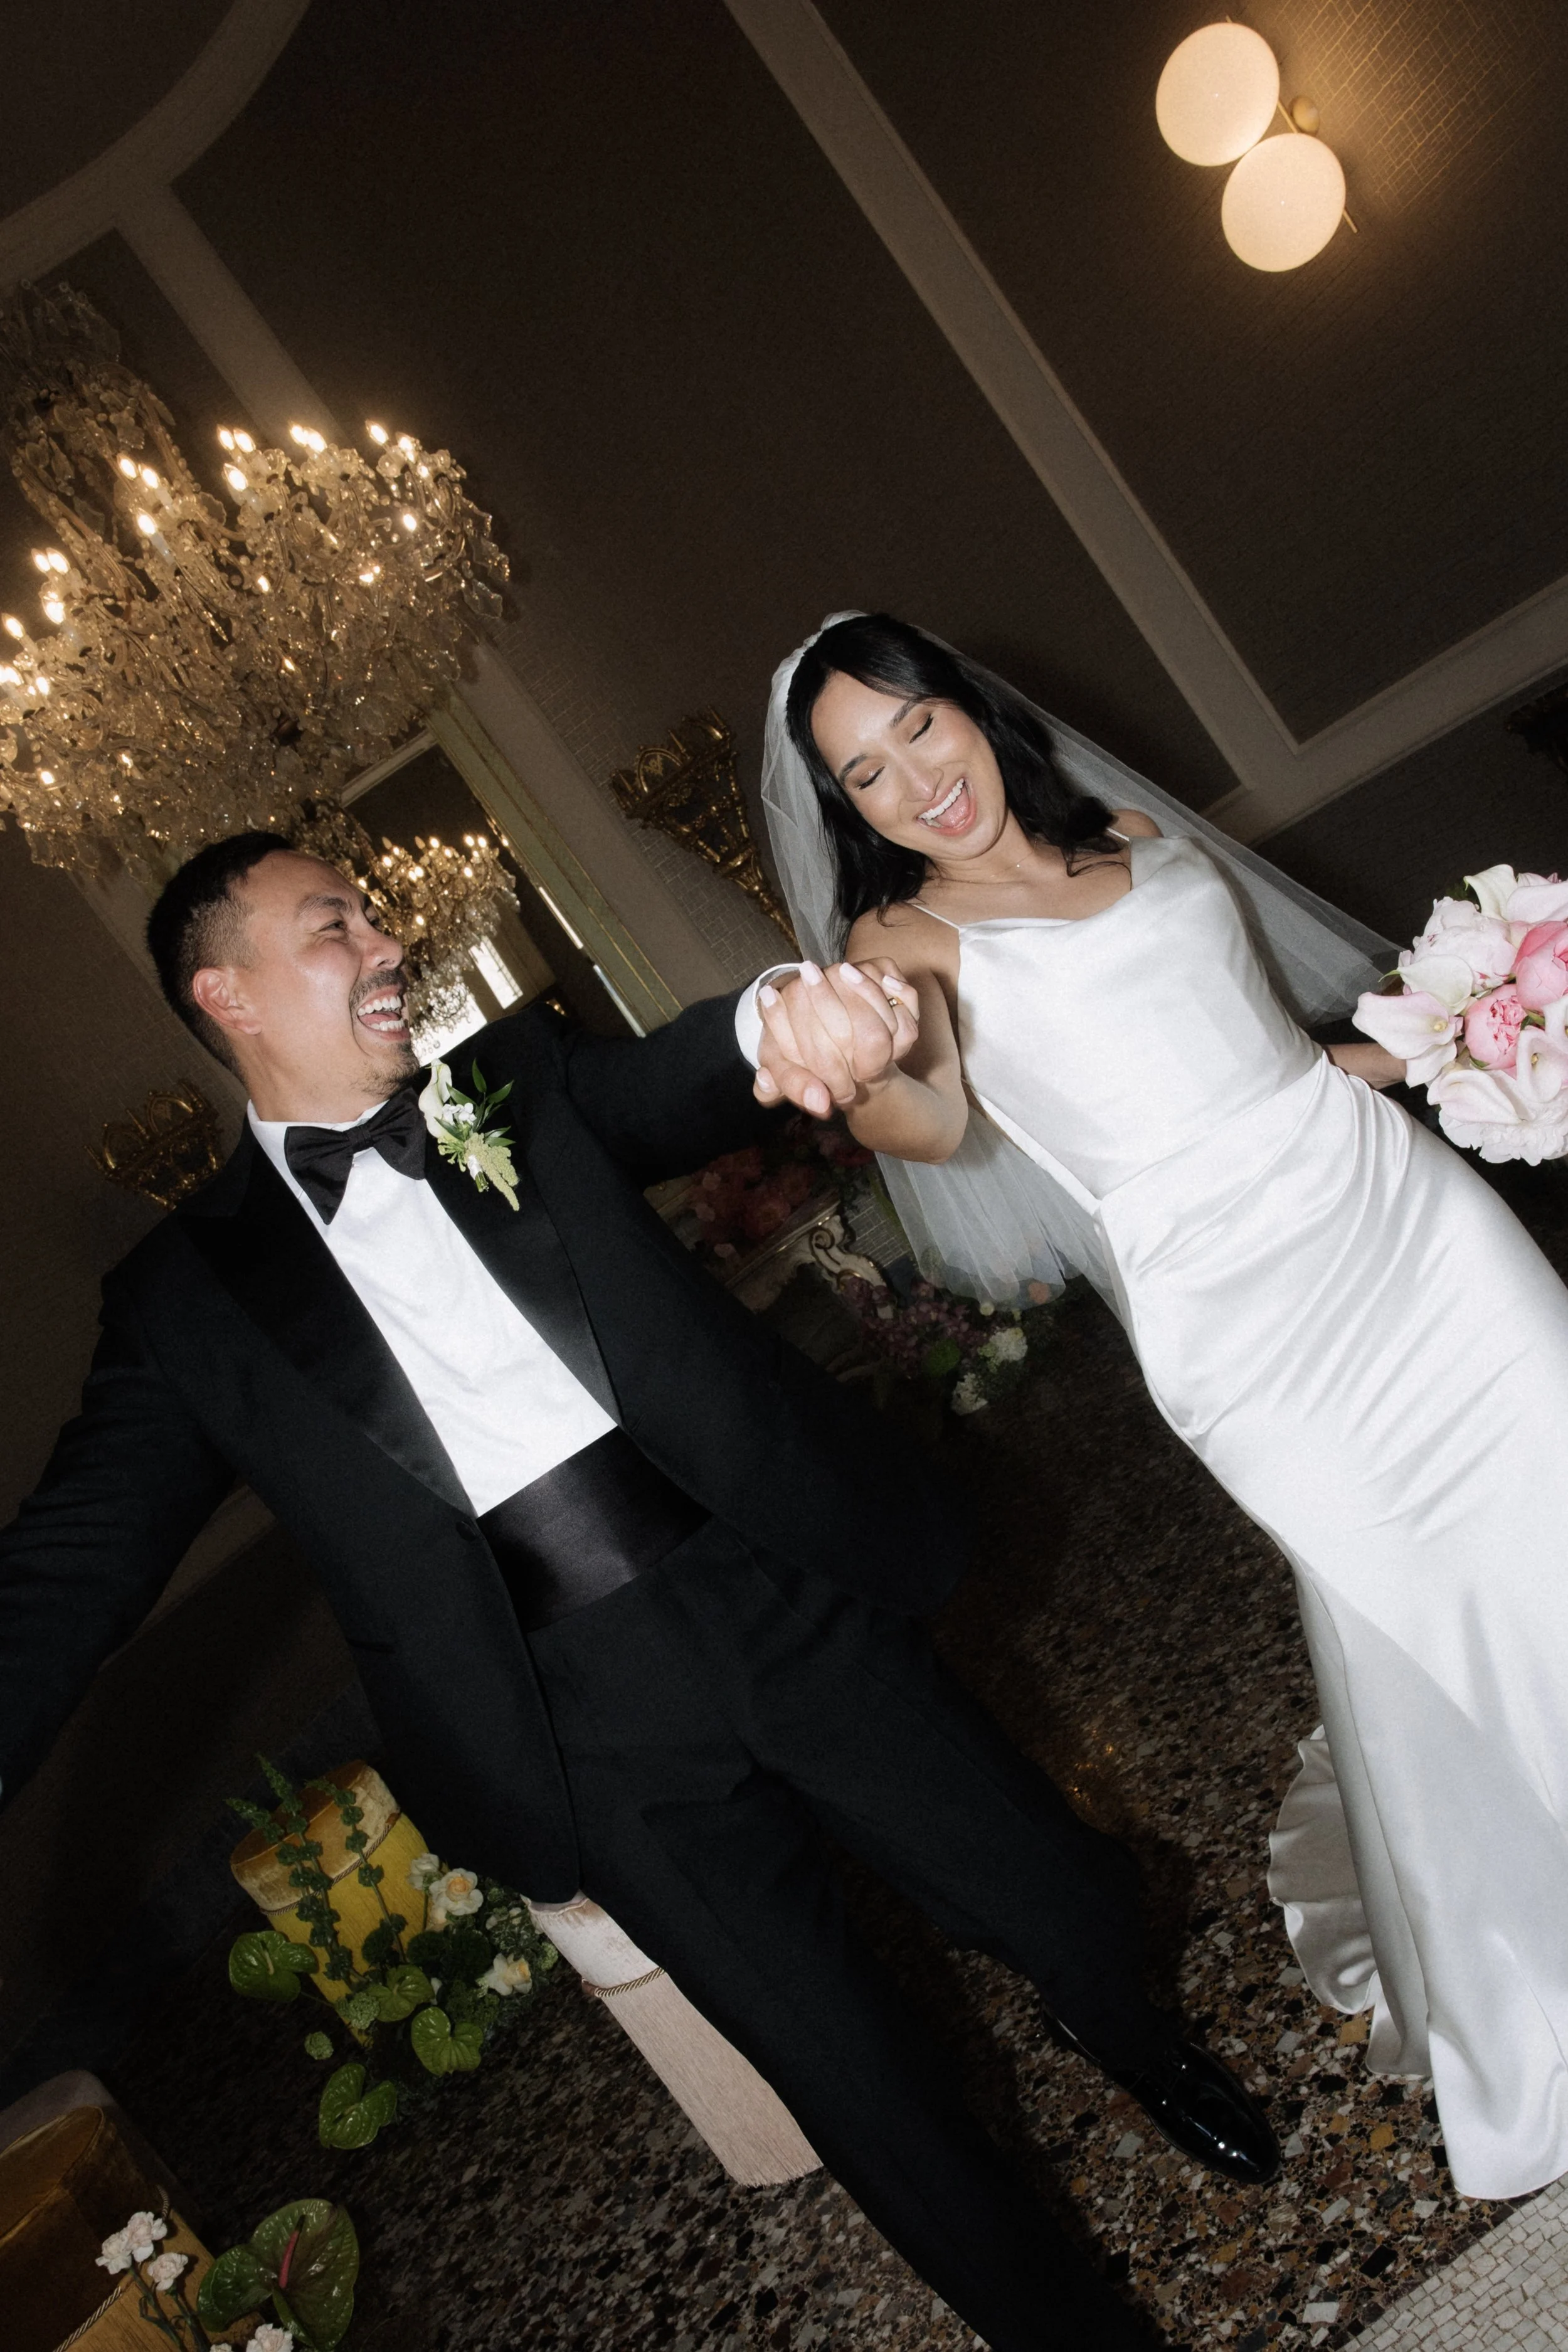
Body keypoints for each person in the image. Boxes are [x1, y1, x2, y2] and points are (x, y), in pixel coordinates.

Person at [0, 830, 1280, 2352]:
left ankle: (1130, 2033)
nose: (385, 939)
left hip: (761, 1578)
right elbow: (73, 1562)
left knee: (1055, 1893)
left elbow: (677, 1074)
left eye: (371, 910)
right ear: (228, 994)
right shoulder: (182, 1302)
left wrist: (779, 1017)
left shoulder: (515, 1084)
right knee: (854, 2083)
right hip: (573, 1727)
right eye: (332, 923)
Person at [752, 611, 1568, 2210]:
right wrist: (859, 1065)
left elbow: (1276, 1064)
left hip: (1409, 1226)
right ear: (847, 811)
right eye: (864, 773)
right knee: (1425, 1610)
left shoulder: (1128, 830)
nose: (914, 779)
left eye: (916, 726)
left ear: (962, 705)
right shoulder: (899, 949)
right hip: (1249, 1332)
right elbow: (925, 1120)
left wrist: (1475, 1030)